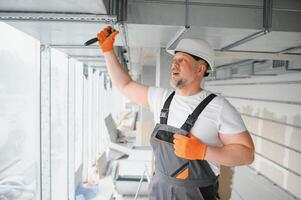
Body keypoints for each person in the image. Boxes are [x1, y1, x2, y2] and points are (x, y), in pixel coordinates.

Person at [97, 26, 254, 200]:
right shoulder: (161, 99)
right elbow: (124, 85)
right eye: (174, 59)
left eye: (182, 60)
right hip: (159, 191)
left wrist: (203, 151)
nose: (174, 64)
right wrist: (108, 51)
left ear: (200, 69)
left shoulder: (219, 107)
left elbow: (246, 154)